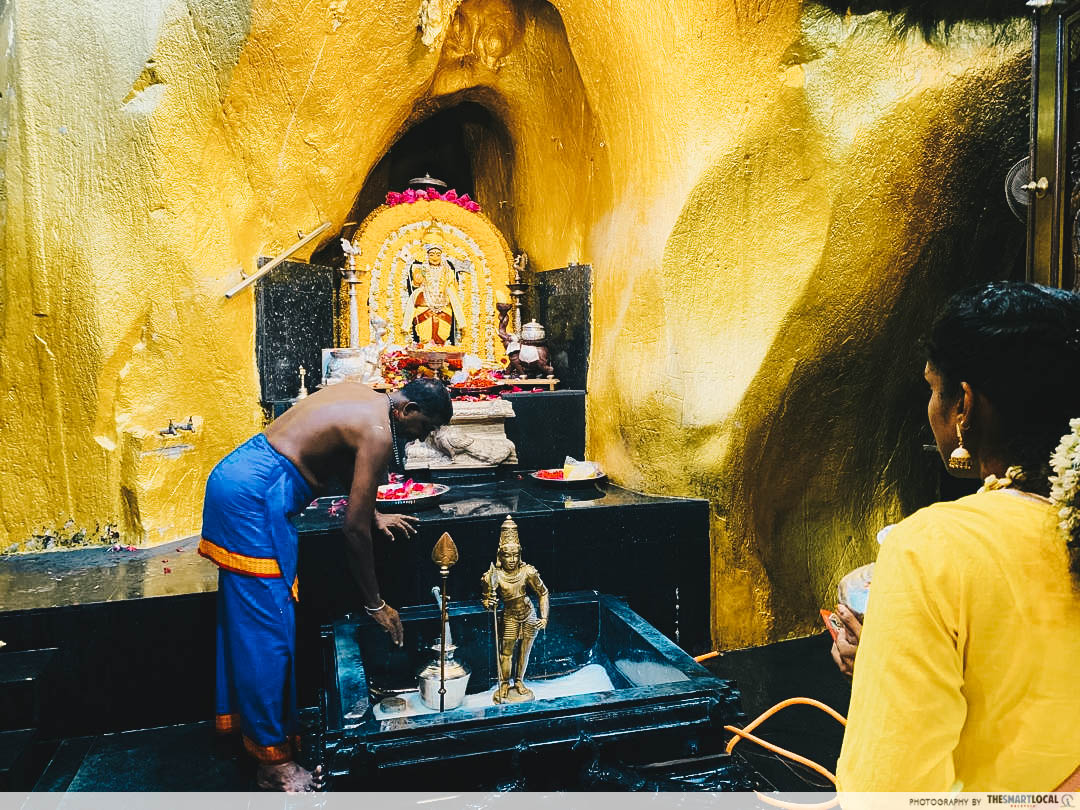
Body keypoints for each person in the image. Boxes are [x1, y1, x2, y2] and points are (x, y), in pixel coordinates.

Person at [833, 281, 1080, 791]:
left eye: (932, 388)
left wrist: (888, 681)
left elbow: (889, 796)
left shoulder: (932, 548)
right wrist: (895, 670)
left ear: (963, 404)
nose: (931, 408)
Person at [199, 378, 451, 791]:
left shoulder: (368, 396)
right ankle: (272, 766)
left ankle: (254, 734)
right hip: (253, 497)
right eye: (424, 426)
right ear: (405, 410)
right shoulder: (379, 431)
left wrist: (371, 513)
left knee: (250, 624)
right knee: (267, 633)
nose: (424, 436)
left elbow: (347, 477)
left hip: (244, 477)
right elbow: (352, 531)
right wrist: (375, 604)